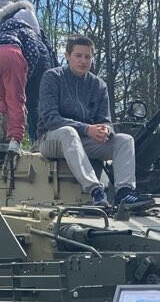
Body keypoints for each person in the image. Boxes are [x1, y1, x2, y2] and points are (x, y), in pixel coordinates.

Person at [37, 34, 152, 211]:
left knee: (124, 140)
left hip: (83, 141)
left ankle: (124, 192)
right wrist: (86, 129)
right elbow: (50, 118)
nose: (83, 61)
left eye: (87, 56)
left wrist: (105, 131)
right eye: (78, 55)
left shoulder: (98, 85)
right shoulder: (53, 78)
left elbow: (105, 120)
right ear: (67, 56)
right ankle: (95, 190)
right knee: (69, 132)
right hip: (51, 139)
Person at [0, 0, 56, 152]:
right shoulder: (26, 24)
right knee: (17, 101)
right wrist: (25, 73)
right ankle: (16, 141)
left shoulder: (4, 27)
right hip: (23, 57)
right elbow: (34, 49)